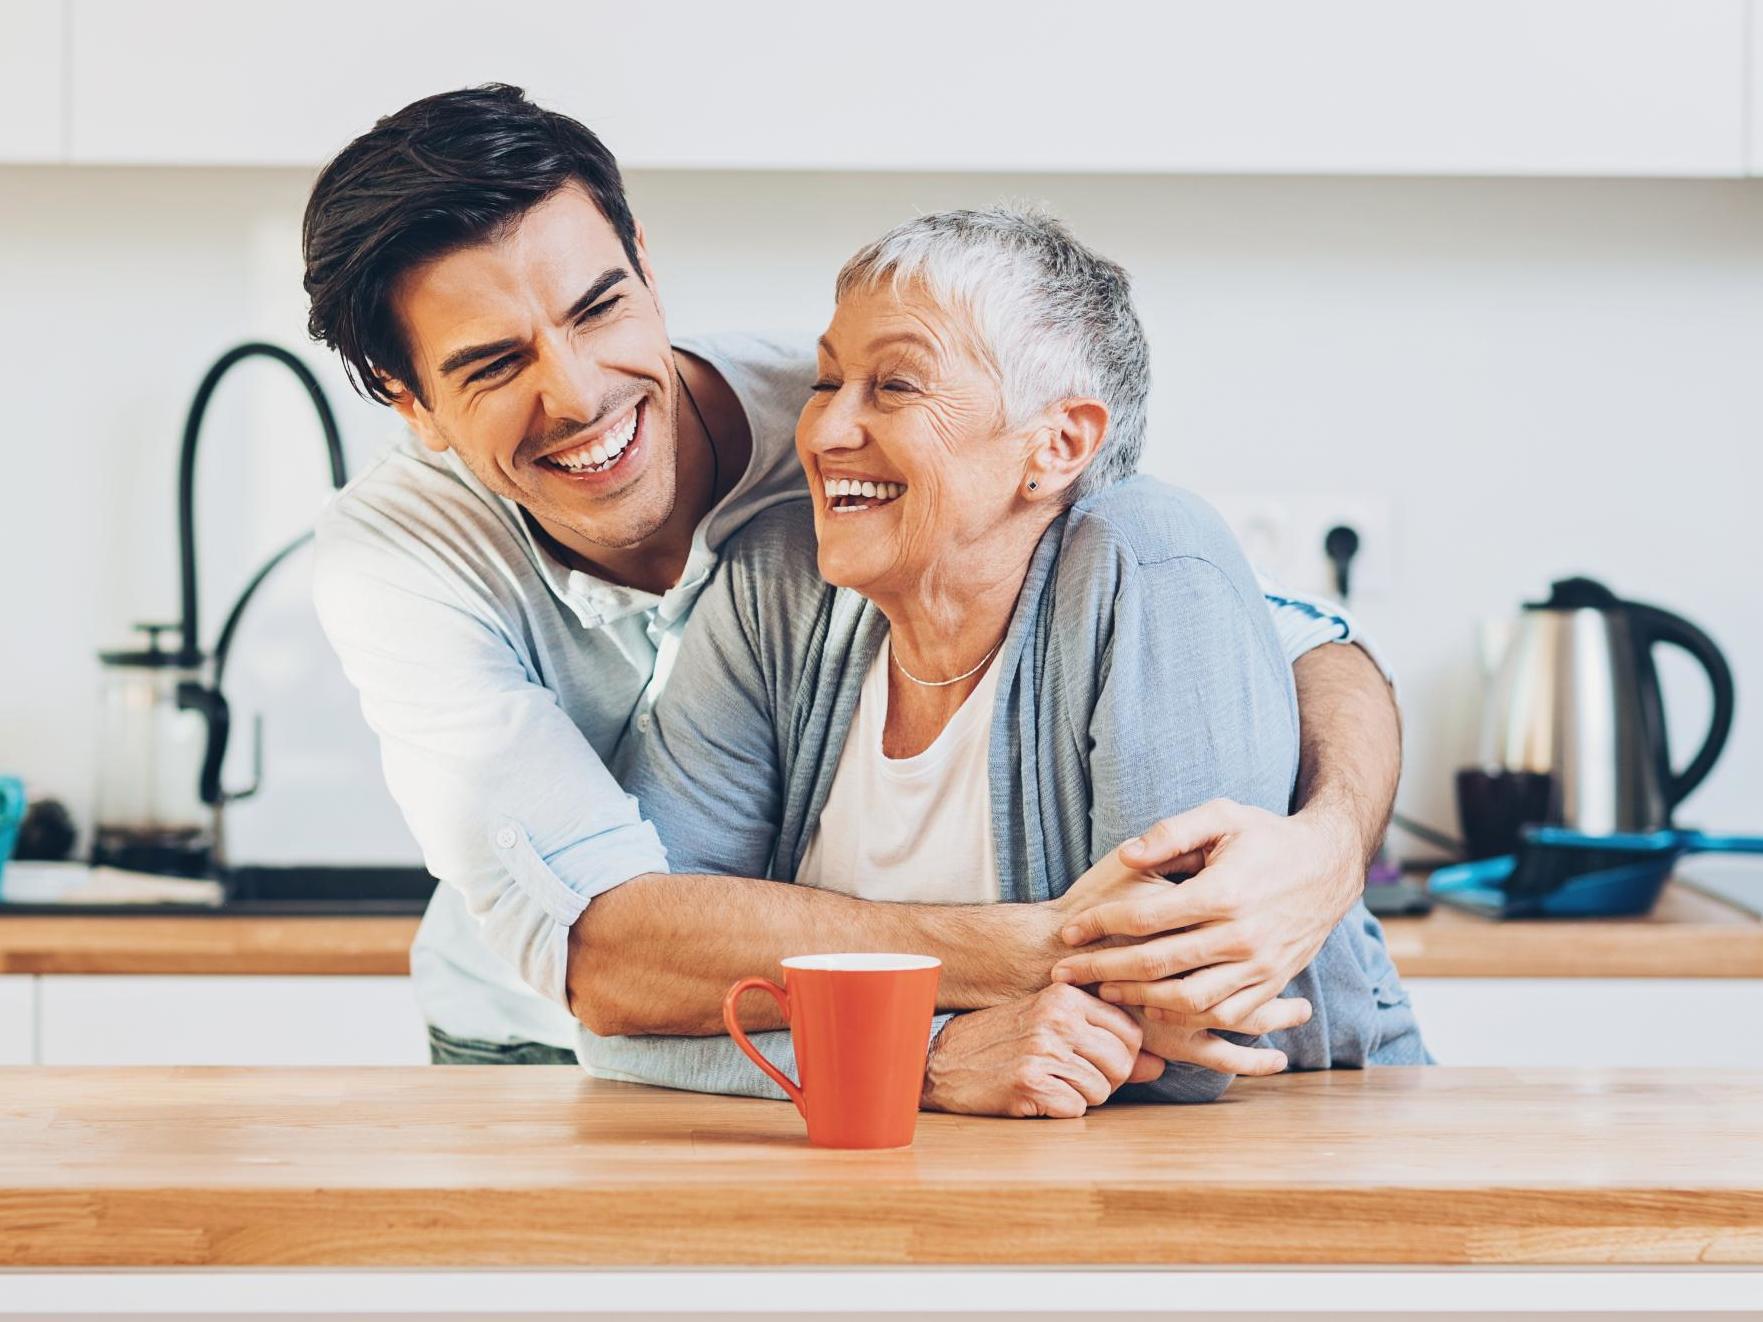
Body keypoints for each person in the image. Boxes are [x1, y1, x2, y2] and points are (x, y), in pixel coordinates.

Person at [303, 84, 1405, 1080]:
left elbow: (1288, 638)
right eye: (494, 363)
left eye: (599, 308)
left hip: (864, 1054)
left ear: (644, 260)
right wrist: (1041, 963)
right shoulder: (399, 563)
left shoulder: (843, 418)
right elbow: (613, 962)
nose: (580, 393)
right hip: (539, 1037)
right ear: (408, 400)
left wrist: (1327, 848)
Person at [590, 206, 1426, 1115]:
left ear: (1058, 444)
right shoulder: (775, 582)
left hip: (1289, 1152)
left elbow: (1182, 1039)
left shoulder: (1149, 560)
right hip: (913, 1166)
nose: (826, 432)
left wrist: (820, 1020)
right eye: (828, 381)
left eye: (895, 386)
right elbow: (630, 992)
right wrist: (927, 1052)